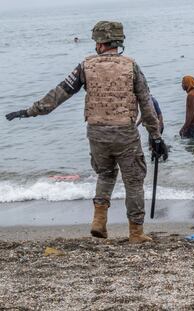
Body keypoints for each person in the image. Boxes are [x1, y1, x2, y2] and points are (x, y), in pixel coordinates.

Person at [5, 21, 168, 244]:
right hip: (125, 134)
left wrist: (29, 111)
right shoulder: (132, 66)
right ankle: (136, 233)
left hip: (96, 133)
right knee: (133, 181)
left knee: (105, 174)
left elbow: (58, 94)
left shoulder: (85, 67)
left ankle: (99, 222)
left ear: (100, 43)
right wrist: (156, 136)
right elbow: (147, 104)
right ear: (118, 43)